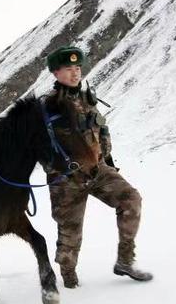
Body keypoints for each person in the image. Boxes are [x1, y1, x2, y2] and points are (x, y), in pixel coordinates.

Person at [44, 46, 153, 288]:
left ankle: (125, 260)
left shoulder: (87, 99)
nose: (75, 73)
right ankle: (69, 280)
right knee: (71, 233)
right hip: (67, 179)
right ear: (56, 73)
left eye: (78, 68)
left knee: (131, 200)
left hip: (99, 170)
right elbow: (35, 147)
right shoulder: (46, 107)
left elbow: (100, 132)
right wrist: (57, 169)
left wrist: (109, 163)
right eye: (69, 69)